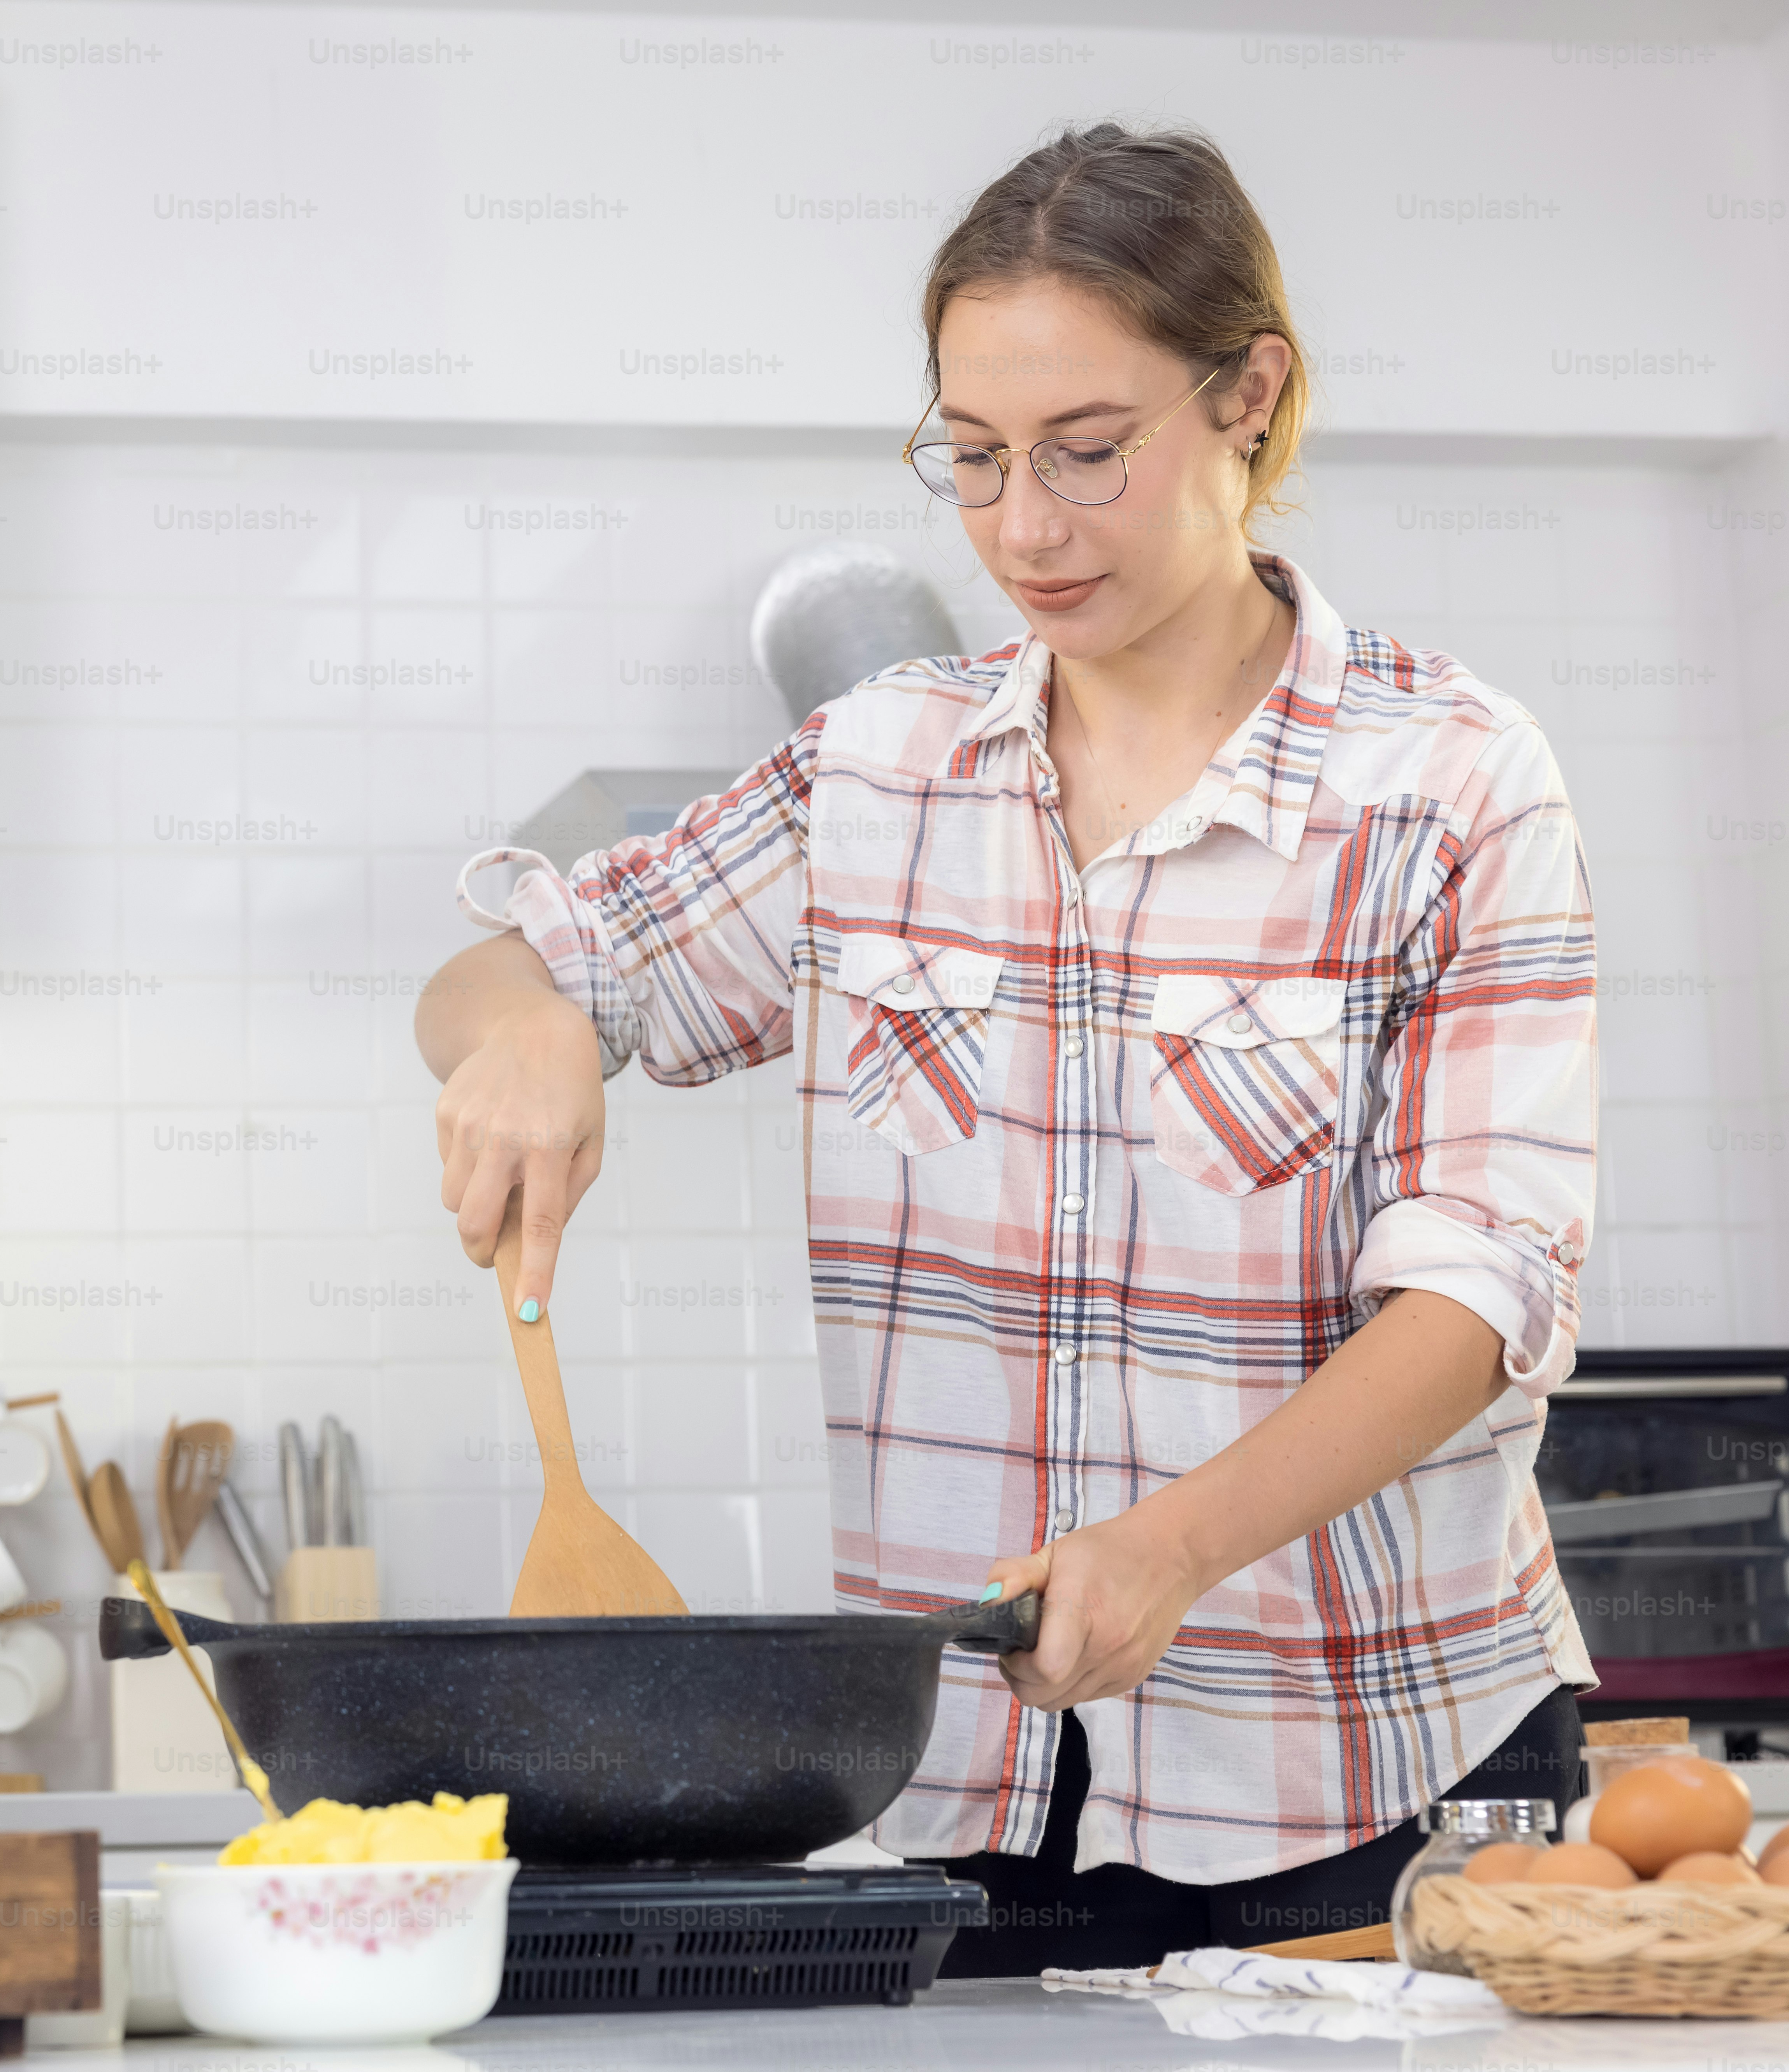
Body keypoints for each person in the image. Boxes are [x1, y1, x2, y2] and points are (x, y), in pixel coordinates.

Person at [416, 123, 1597, 1972]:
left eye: (1086, 453)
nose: (1023, 529)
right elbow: (505, 970)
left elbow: (1480, 1288)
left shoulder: (1448, 781)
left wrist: (1180, 1544)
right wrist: (536, 1033)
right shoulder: (881, 766)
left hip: (1368, 1787)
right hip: (964, 1783)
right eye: (970, 460)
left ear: (1250, 400)